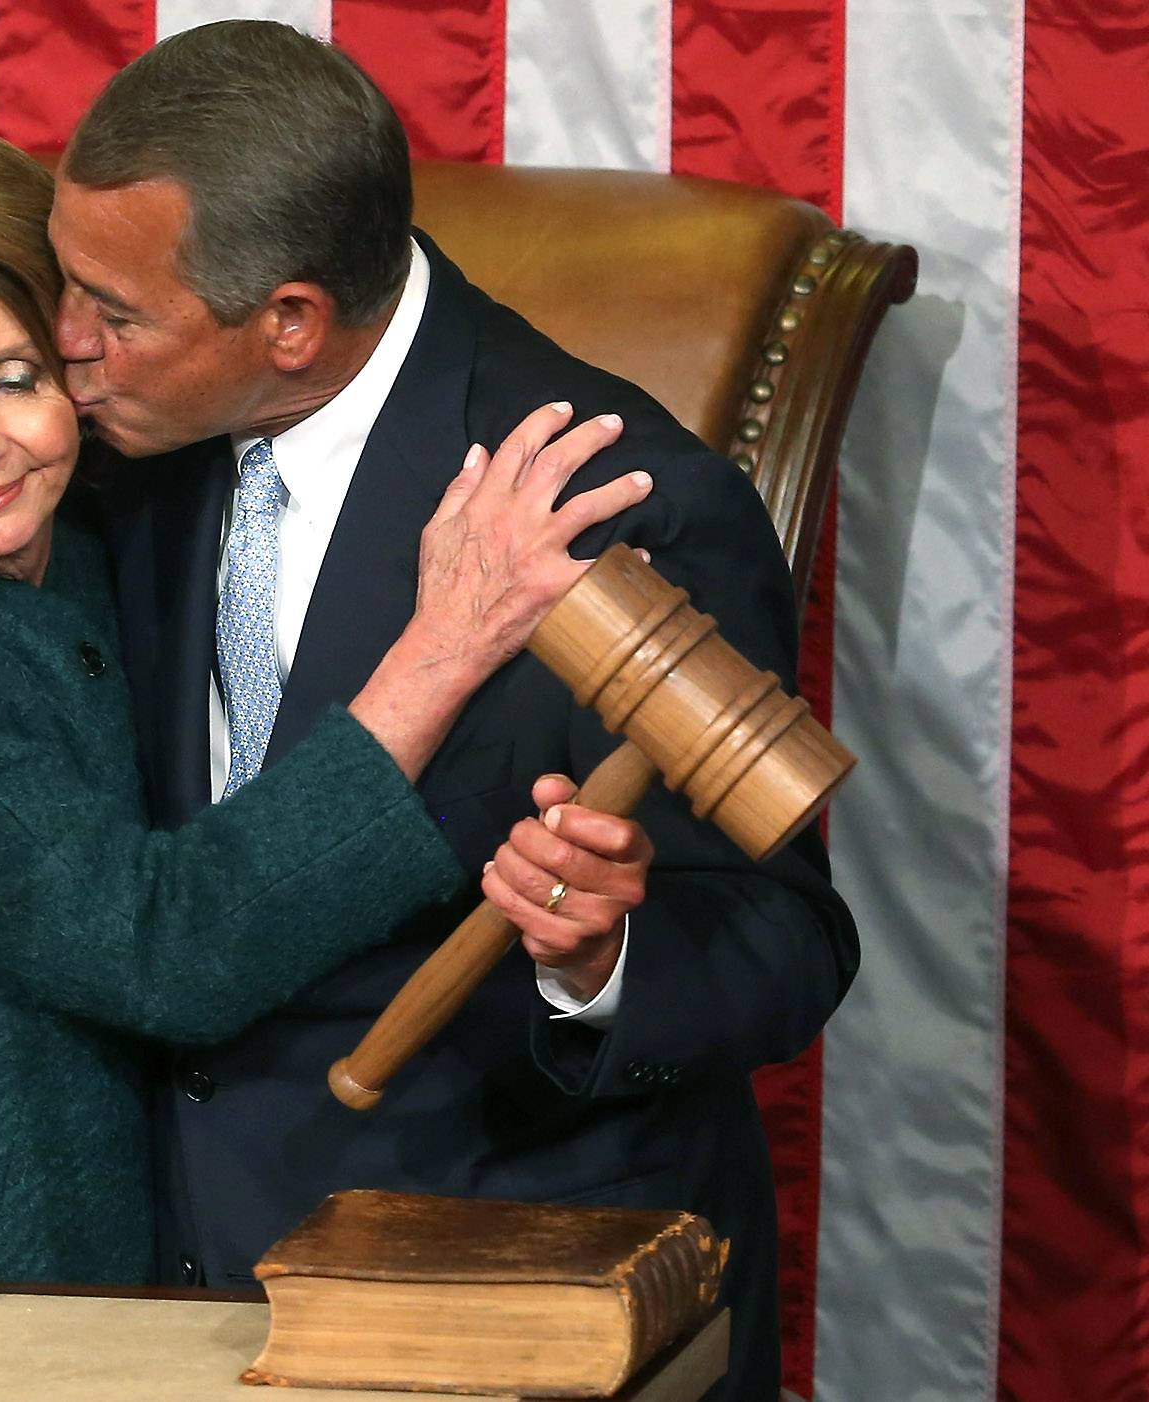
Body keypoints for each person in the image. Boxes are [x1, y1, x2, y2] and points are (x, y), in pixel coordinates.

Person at [0, 126, 645, 1282]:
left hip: (103, 1269)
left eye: (14, 377)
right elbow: (166, 946)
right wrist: (444, 647)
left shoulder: (87, 534)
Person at [50, 21, 859, 1399]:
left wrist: (596, 954)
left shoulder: (617, 512)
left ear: (292, 324)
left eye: (113, 315)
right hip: (153, 1279)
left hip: (487, 1296)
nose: (67, 347)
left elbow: (786, 940)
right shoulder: (131, 445)